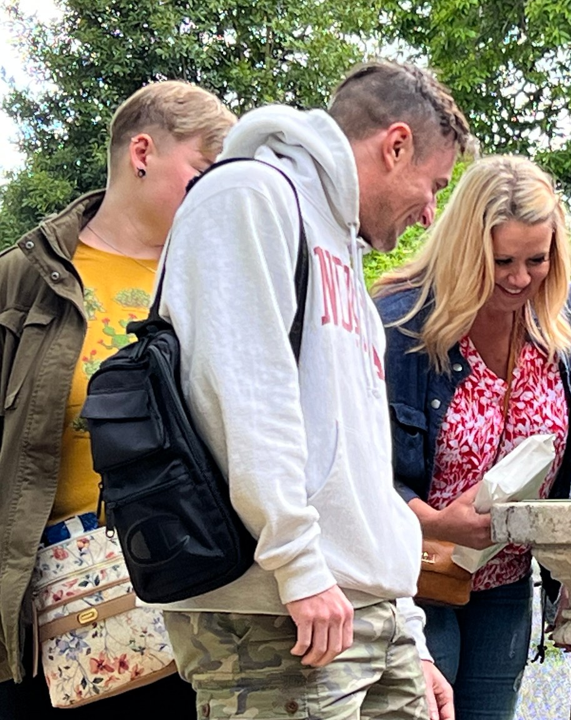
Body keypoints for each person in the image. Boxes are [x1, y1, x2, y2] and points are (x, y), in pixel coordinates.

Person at [152, 61, 472, 720]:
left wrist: (405, 626)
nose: (430, 209)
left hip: (363, 612)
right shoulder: (248, 197)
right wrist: (298, 566)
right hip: (283, 614)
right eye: (434, 184)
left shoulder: (344, 251)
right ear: (396, 145)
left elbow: (358, 460)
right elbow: (243, 396)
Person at [0, 81, 234, 719]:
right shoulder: (27, 277)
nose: (213, 192)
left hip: (197, 594)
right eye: (203, 171)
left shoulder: (220, 276)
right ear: (142, 152)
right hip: (54, 608)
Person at [373, 155, 571, 720]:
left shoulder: (561, 316)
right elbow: (358, 473)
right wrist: (436, 520)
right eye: (502, 263)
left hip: (507, 578)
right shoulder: (403, 324)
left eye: (536, 260)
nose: (520, 279)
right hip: (420, 574)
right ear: (467, 251)